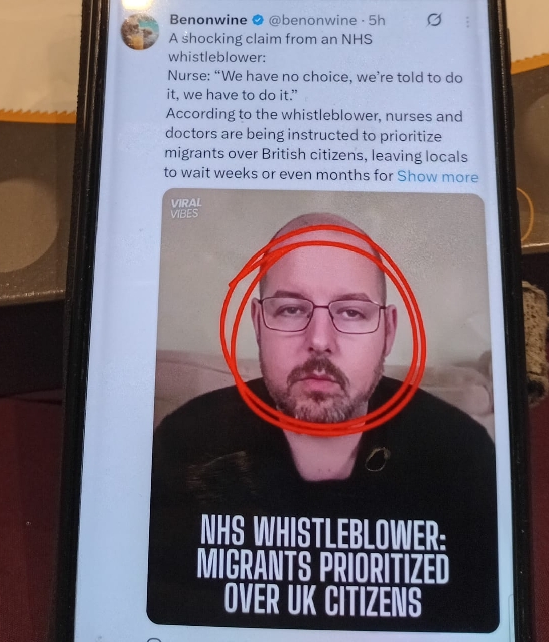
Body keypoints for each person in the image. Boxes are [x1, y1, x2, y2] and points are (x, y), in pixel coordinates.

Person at [147, 212, 499, 631]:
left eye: (351, 312)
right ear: (258, 324)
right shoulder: (186, 442)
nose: (318, 340)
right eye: (291, 309)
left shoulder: (461, 455)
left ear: (387, 331)